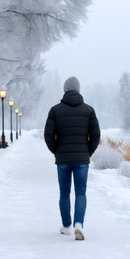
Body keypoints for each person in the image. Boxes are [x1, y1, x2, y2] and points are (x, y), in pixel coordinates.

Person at [44, 76, 100, 240]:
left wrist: (57, 151)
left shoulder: (55, 110)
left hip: (63, 160)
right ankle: (78, 224)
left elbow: (48, 136)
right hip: (82, 159)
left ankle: (67, 226)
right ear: (79, 89)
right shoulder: (88, 110)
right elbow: (96, 135)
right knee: (81, 193)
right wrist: (87, 152)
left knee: (64, 192)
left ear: (65, 90)